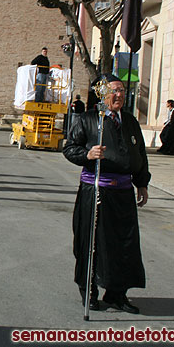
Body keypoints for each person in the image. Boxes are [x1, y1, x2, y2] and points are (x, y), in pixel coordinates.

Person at [63, 74, 149, 314]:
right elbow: (70, 148)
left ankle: (117, 294)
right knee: (91, 243)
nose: (119, 95)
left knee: (123, 245)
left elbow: (140, 154)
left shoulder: (130, 121)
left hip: (123, 194)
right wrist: (88, 155)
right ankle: (89, 291)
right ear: (103, 94)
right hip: (97, 191)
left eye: (122, 90)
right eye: (114, 91)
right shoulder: (89, 119)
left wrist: (142, 183)